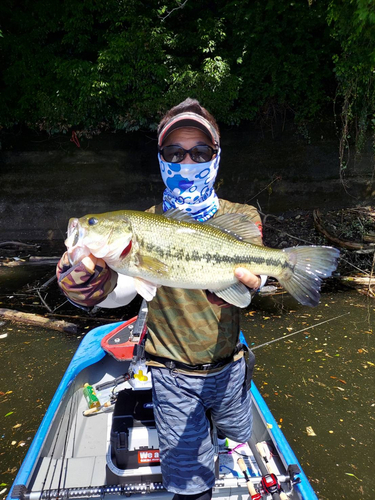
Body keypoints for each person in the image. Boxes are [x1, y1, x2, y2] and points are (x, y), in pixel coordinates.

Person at [57, 98, 266, 500]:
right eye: (175, 152)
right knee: (190, 484)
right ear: (161, 159)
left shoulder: (240, 217)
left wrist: (254, 286)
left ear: (216, 157)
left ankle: (225, 443)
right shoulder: (144, 222)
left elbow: (249, 284)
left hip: (229, 369)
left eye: (200, 152)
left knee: (236, 434)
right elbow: (125, 292)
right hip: (171, 378)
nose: (187, 162)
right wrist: (93, 289)